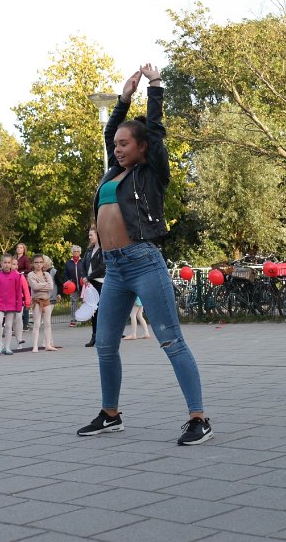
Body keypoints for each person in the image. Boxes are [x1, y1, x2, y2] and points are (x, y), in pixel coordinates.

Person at [77, 64, 212, 446]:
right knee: (105, 344)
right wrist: (123, 99)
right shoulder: (110, 175)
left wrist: (154, 87)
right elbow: (109, 131)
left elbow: (155, 130)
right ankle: (110, 414)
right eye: (116, 144)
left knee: (170, 339)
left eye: (125, 144)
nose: (117, 148)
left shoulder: (151, 173)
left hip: (143, 261)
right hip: (115, 269)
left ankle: (198, 417)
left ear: (142, 148)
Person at [0, 253, 30, 355]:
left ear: (11, 263)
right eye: (5, 262)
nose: (7, 265)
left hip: (11, 304)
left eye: (9, 263)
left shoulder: (17, 276)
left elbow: (18, 292)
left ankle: (7, 347)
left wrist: (18, 306)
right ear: (1, 263)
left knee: (8, 325)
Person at [81, 227, 105, 347]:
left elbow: (102, 267)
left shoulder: (103, 249)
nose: (89, 237)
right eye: (89, 235)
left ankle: (104, 336)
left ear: (98, 235)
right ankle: (94, 335)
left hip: (100, 282)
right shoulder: (89, 250)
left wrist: (89, 277)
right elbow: (82, 265)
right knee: (93, 310)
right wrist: (85, 278)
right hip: (90, 283)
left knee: (100, 309)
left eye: (91, 235)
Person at [28, 256, 58, 352]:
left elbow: (51, 287)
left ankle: (48, 344)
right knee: (37, 324)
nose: (39, 264)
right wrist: (44, 285)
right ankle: (35, 346)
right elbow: (34, 286)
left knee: (47, 323)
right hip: (37, 301)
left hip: (46, 300)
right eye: (36, 262)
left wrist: (41, 286)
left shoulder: (47, 274)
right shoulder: (31, 275)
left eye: (41, 262)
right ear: (33, 264)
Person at [62, 245, 84, 319]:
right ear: (72, 252)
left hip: (83, 286)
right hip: (73, 287)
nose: (76, 253)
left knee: (85, 302)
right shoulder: (68, 263)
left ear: (80, 252)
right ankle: (73, 319)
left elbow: (87, 272)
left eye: (78, 251)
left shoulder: (83, 261)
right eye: (75, 251)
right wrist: (68, 280)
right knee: (74, 303)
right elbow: (65, 274)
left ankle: (85, 319)